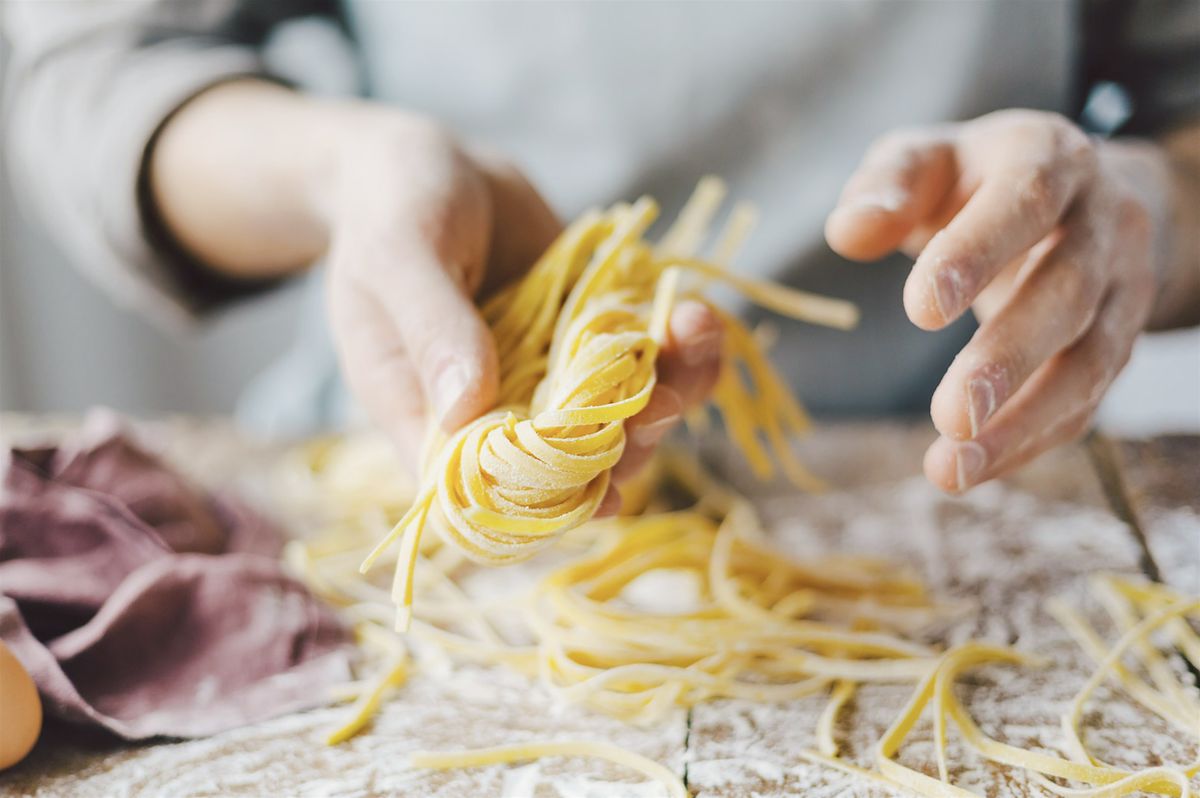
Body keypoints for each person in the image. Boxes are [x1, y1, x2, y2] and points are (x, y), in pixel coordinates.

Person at [4, 0, 1198, 503]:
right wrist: (351, 170)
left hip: (947, 483)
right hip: (412, 448)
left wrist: (1150, 200)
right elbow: (96, 72)